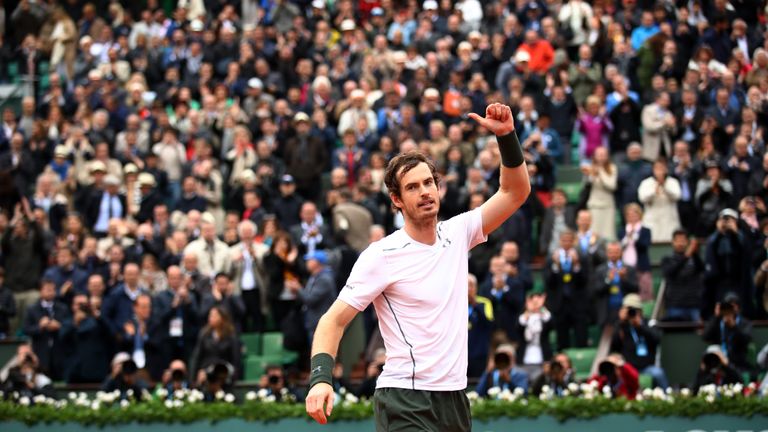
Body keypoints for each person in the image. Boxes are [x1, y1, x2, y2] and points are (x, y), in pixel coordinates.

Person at [305, 104, 530, 429]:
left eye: (428, 183)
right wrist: (320, 378)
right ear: (396, 199)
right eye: (412, 187)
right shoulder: (382, 254)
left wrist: (507, 137)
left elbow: (515, 191)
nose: (424, 192)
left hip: (454, 398)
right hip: (404, 399)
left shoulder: (458, 232)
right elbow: (332, 321)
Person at [610, 294, 669, 389]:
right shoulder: (621, 326)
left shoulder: (648, 323)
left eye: (634, 310)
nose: (632, 313)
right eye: (629, 310)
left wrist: (640, 326)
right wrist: (621, 323)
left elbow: (657, 339)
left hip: (647, 367)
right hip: (627, 368)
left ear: (640, 311)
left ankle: (667, 399)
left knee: (658, 374)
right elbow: (614, 346)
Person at [661, 229, 704, 322]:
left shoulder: (694, 259)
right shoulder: (667, 259)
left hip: (693, 304)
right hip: (675, 304)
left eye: (683, 240)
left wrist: (695, 253)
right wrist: (686, 256)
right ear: (673, 242)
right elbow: (670, 272)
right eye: (678, 240)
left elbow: (701, 269)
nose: (680, 243)